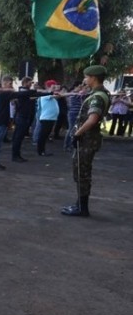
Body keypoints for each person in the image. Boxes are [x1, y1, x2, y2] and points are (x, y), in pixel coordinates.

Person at [61, 65, 110, 217]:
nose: (84, 79)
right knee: (82, 172)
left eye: (87, 77)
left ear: (94, 78)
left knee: (81, 173)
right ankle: (79, 205)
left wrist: (77, 133)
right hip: (89, 139)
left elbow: (93, 119)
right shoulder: (101, 93)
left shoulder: (97, 97)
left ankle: (82, 208)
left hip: (87, 140)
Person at [35, 80, 60, 156]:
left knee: (45, 135)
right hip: (46, 118)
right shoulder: (45, 94)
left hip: (51, 118)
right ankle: (40, 151)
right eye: (53, 86)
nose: (55, 88)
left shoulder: (50, 94)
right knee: (43, 135)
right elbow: (58, 95)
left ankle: (42, 150)